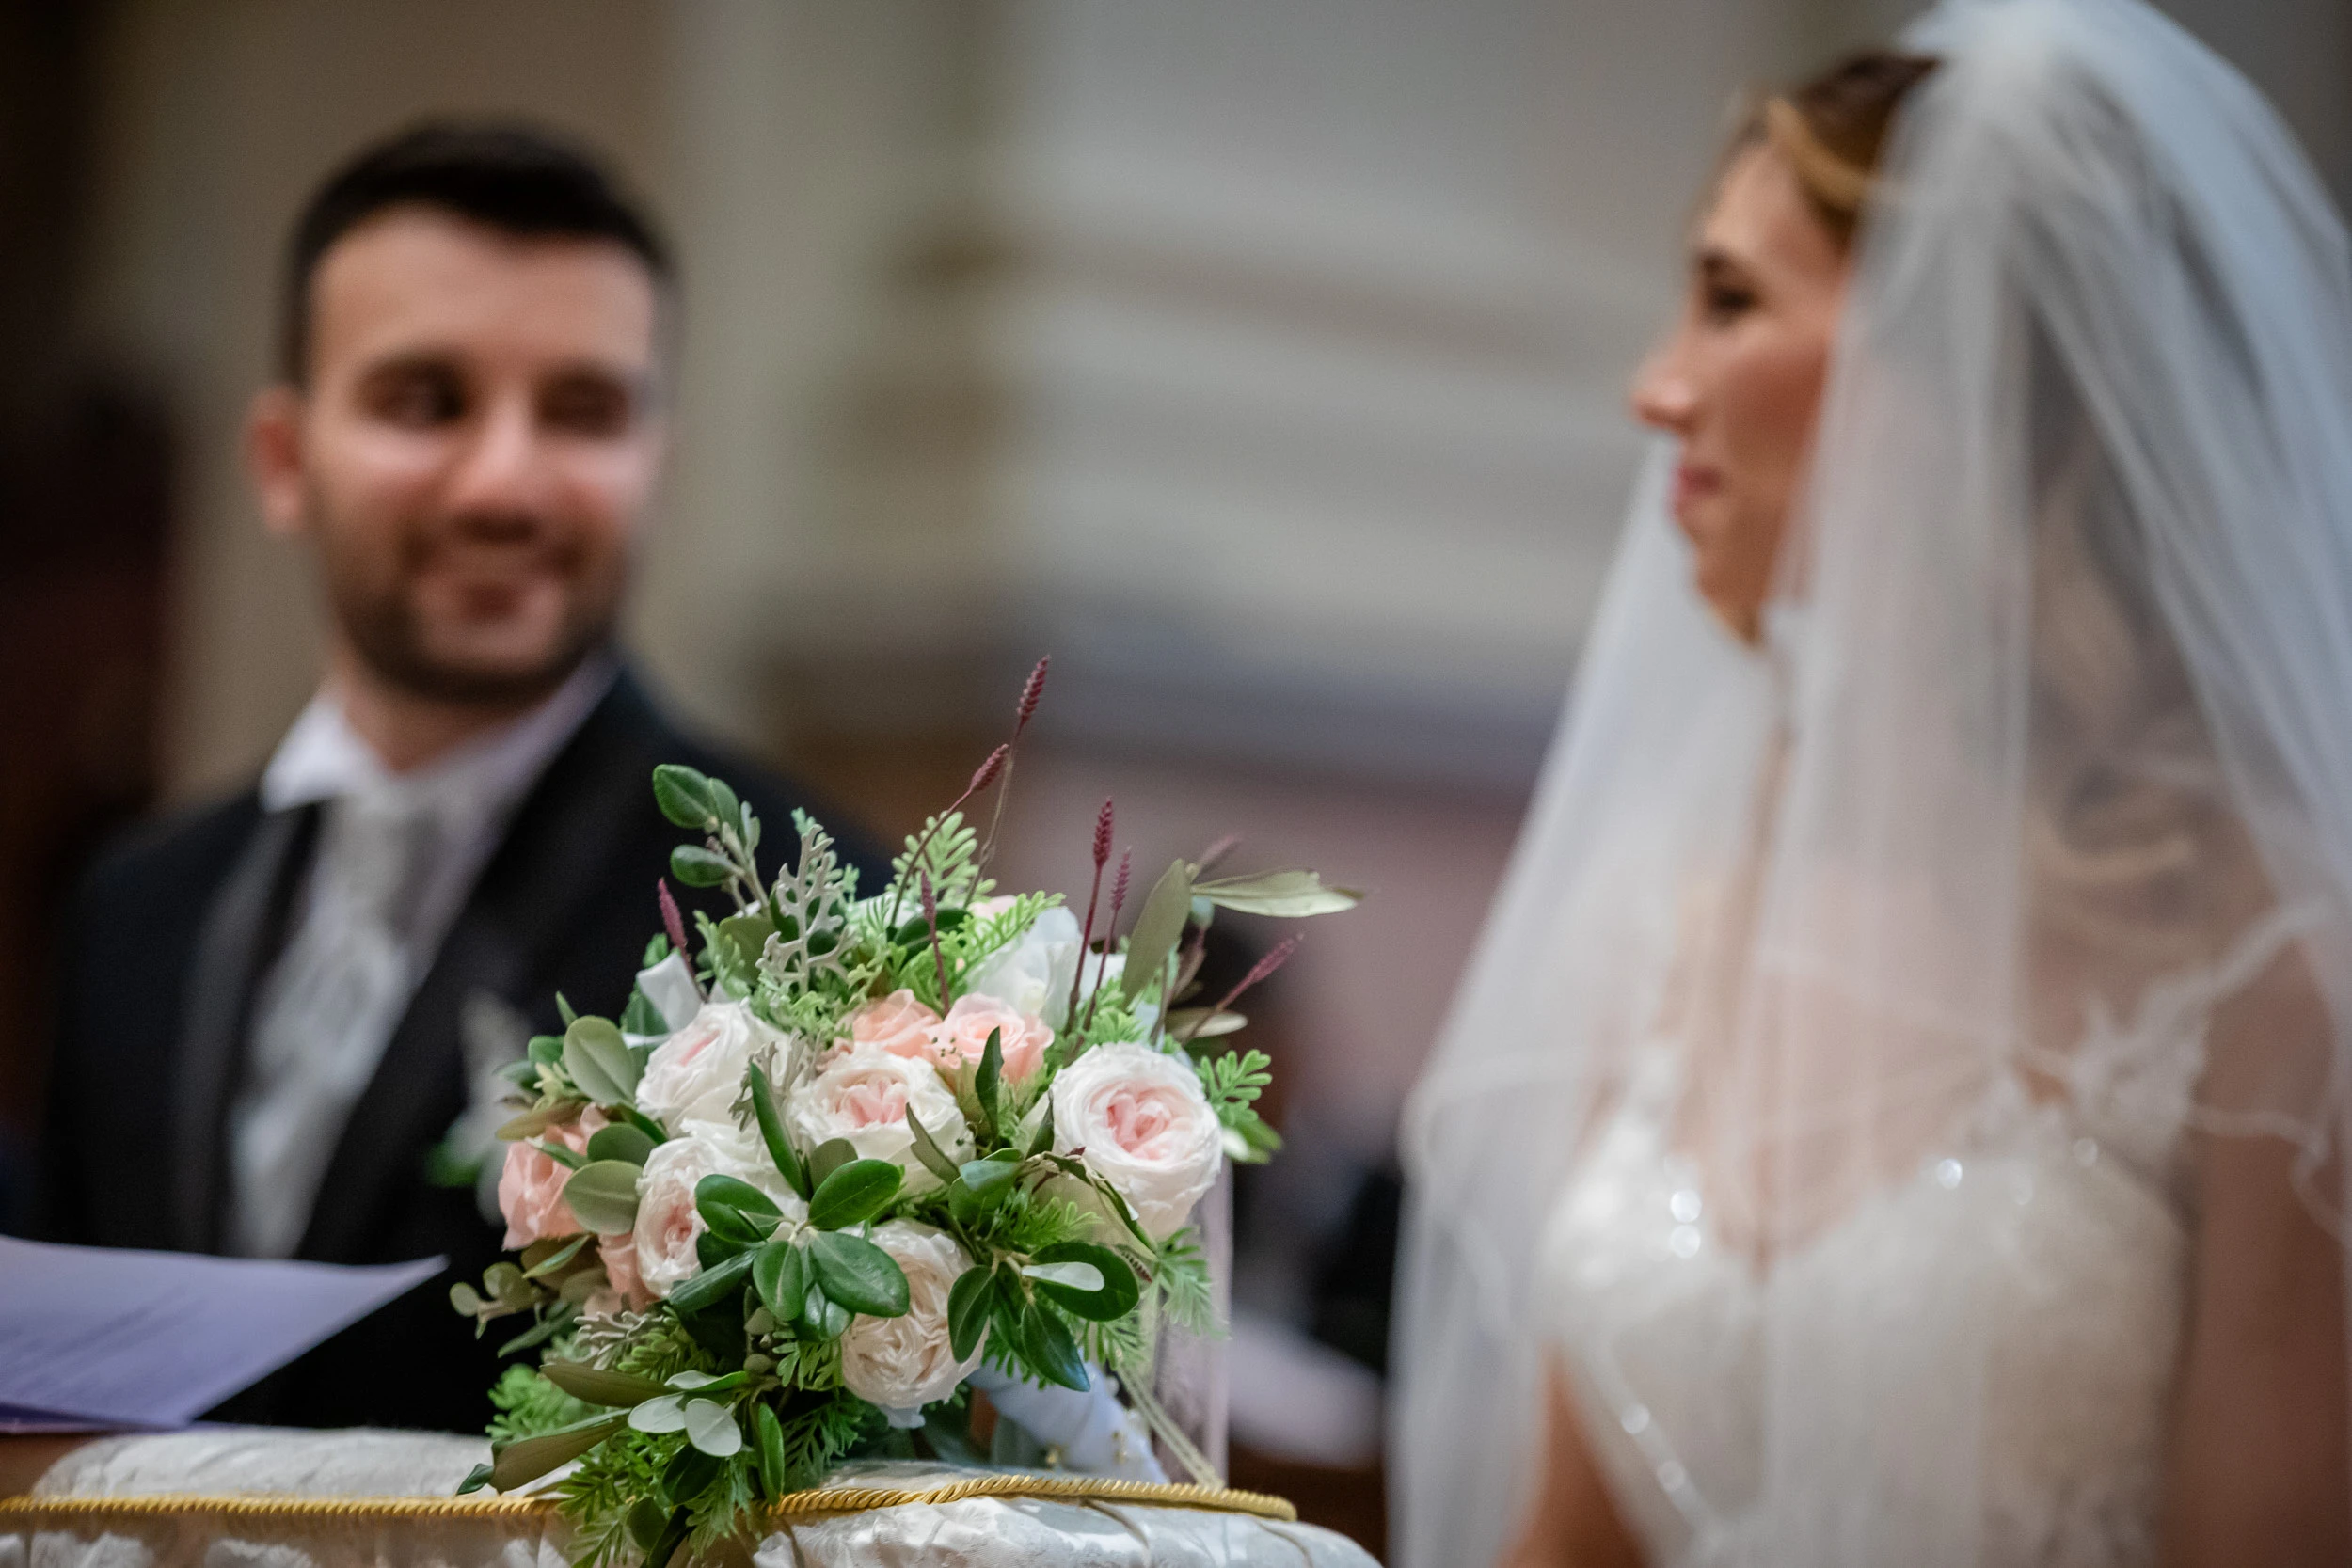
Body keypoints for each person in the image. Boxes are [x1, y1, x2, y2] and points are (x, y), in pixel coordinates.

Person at [1394, 0, 2352, 1562]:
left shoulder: (2268, 976)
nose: (1658, 388)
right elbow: (1569, 1542)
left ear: (1956, 353)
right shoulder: (1673, 912)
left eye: (1729, 300)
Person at [32, 122, 883, 1432]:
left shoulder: (793, 910)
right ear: (283, 461)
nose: (504, 485)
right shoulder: (135, 911)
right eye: (426, 401)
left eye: (583, 412)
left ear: (654, 462)